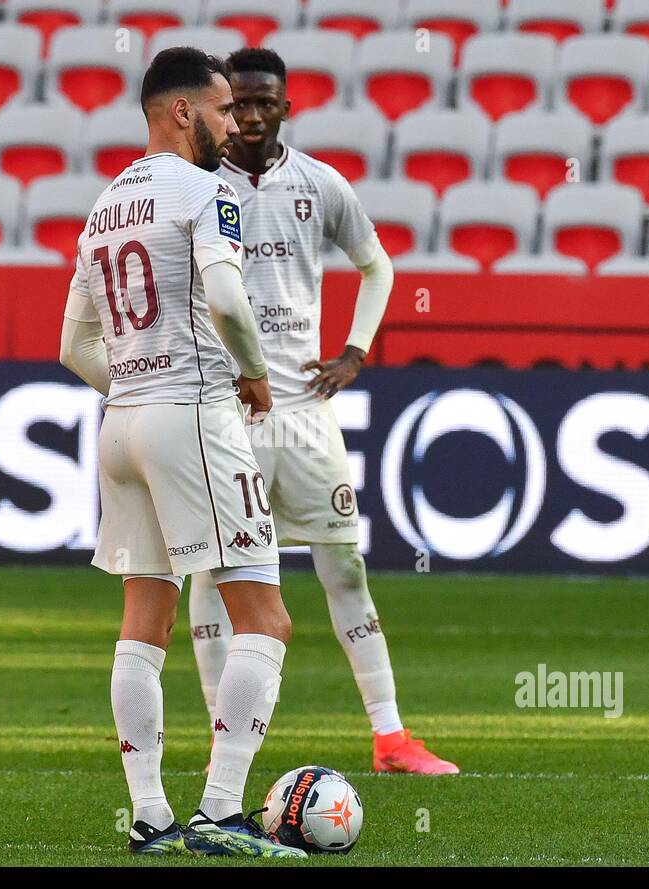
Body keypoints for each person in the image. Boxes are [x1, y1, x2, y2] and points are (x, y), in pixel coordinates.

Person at [59, 47, 305, 858]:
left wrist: (130, 379)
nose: (236, 125)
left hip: (121, 427)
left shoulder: (103, 208)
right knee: (265, 618)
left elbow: (73, 346)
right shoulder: (208, 193)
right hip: (193, 415)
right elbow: (229, 298)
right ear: (180, 112)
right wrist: (255, 376)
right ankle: (222, 811)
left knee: (144, 621)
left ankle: (150, 816)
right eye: (224, 110)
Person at [187, 48, 459, 774]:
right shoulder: (197, 186)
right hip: (226, 415)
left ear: (285, 106)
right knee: (216, 576)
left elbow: (378, 266)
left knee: (345, 568)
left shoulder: (320, 185)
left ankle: (391, 737)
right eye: (237, 103)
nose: (248, 117)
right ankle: (225, 732)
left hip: (305, 413)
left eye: (262, 103)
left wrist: (356, 352)